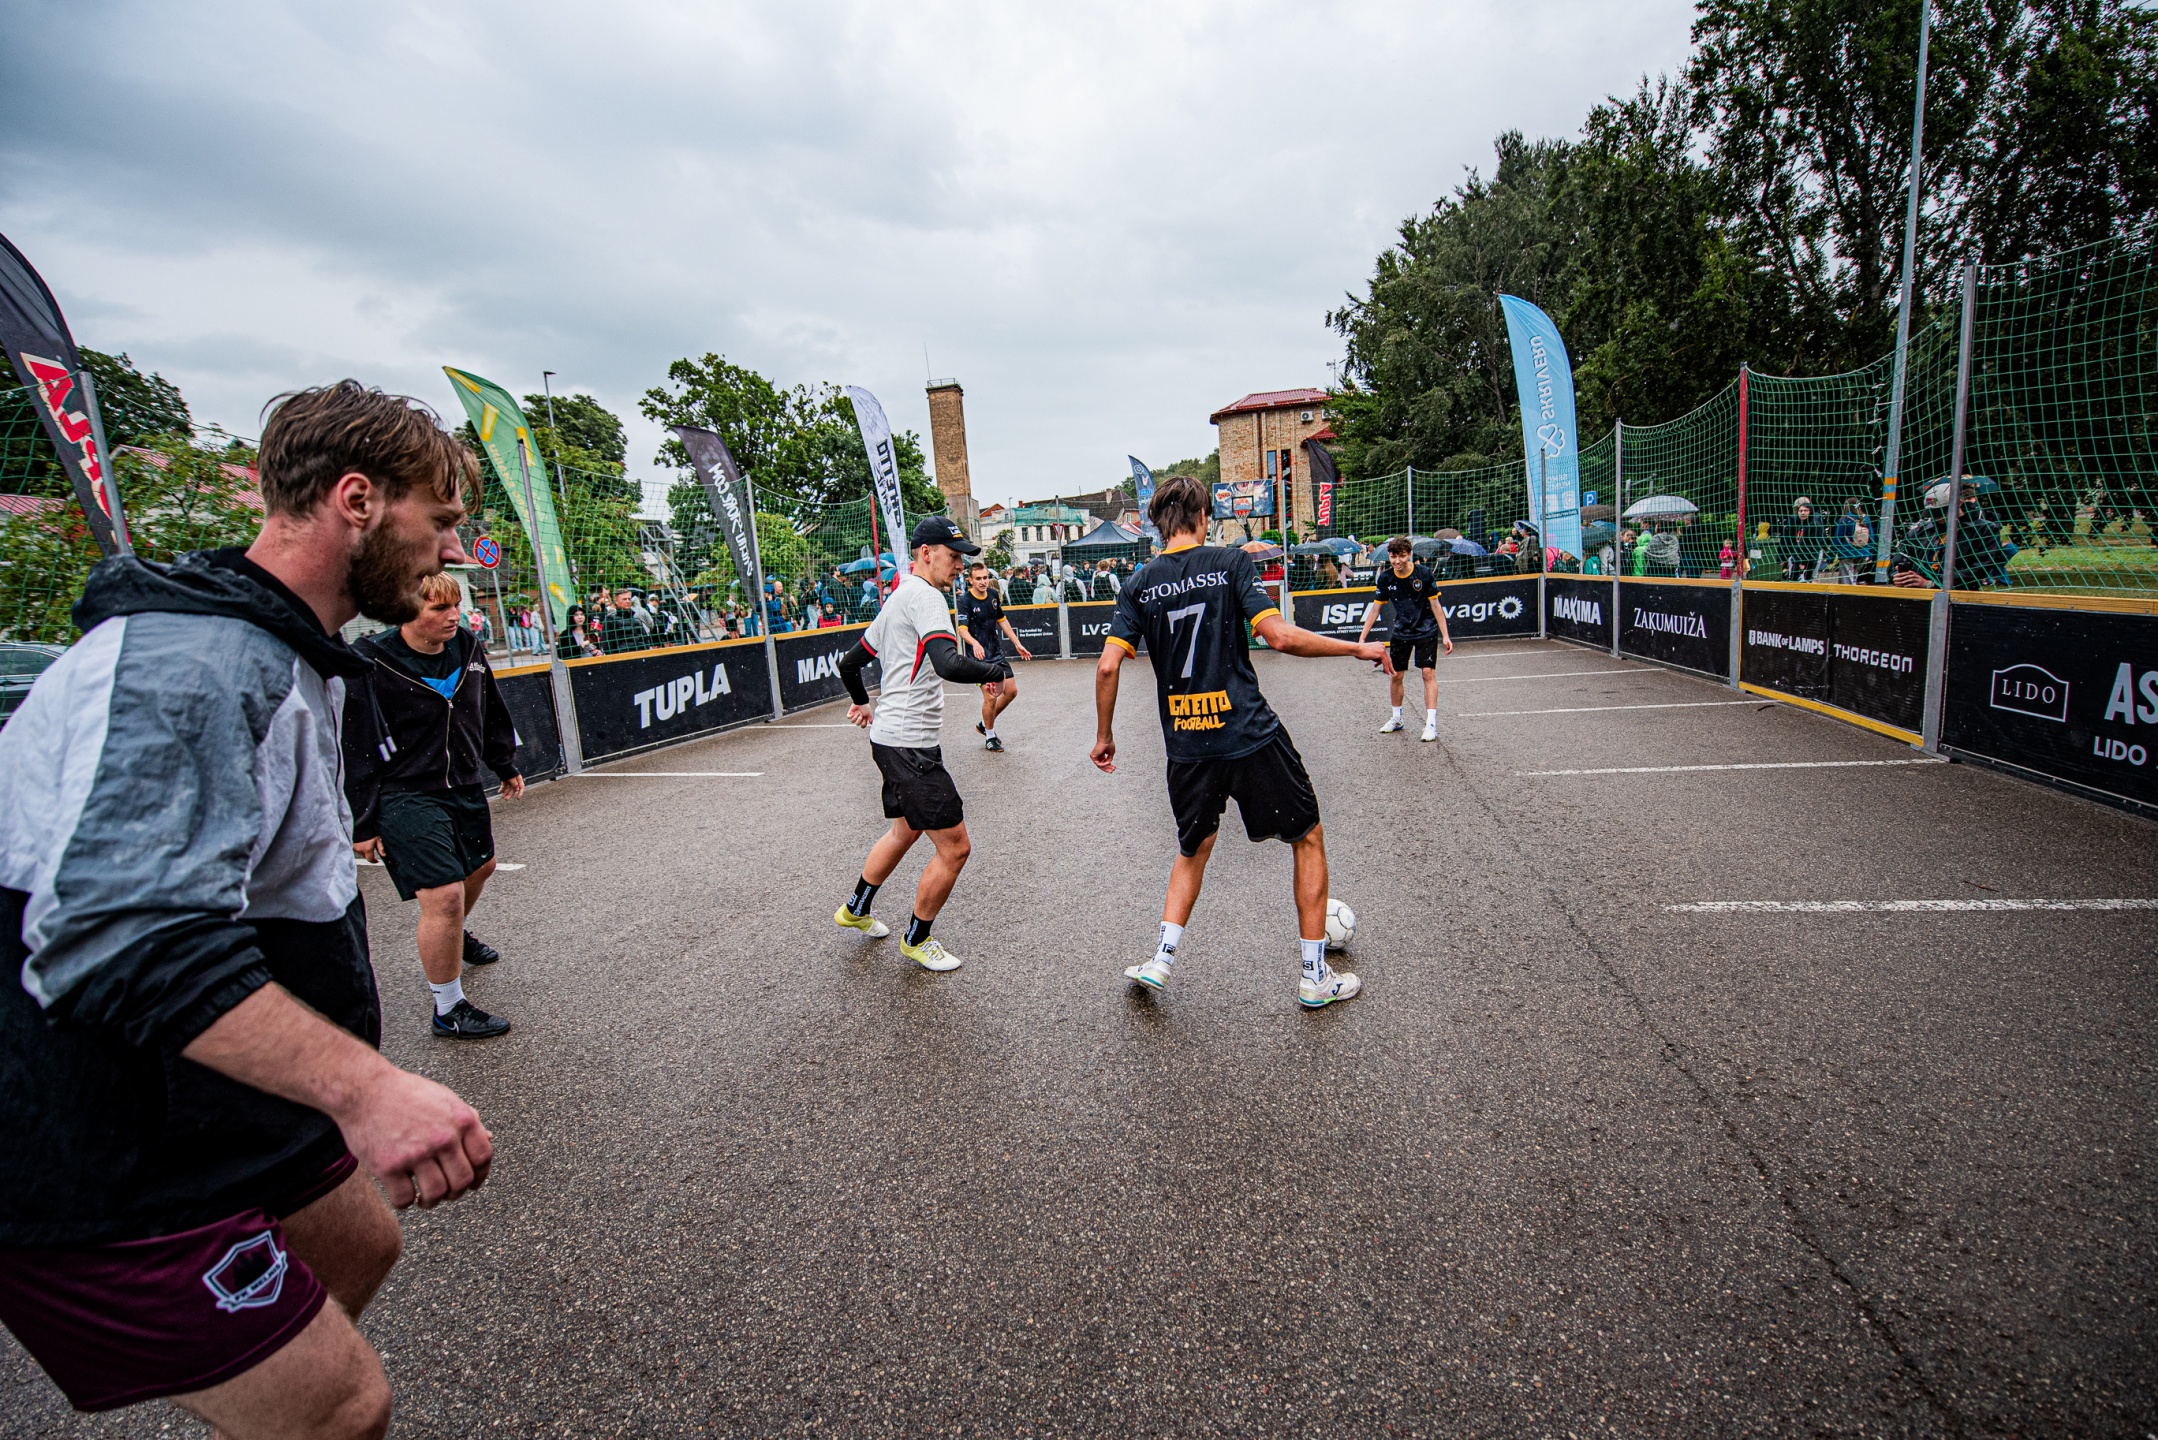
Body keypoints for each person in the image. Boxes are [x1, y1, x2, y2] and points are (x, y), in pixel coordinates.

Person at [0, 381, 492, 1435]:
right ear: (357, 500)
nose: (454, 551)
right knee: (343, 1404)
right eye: (442, 520)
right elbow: (117, 936)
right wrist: (365, 1089)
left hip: (204, 1100)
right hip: (82, 1140)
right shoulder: (199, 667)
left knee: (357, 1244)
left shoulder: (285, 647)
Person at [1091, 474, 1393, 1009]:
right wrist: (1354, 649)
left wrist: (1104, 735)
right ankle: (1314, 975)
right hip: (1247, 733)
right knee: (1307, 838)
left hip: (1187, 745)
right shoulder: (1230, 563)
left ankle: (1161, 960)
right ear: (1203, 517)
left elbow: (1108, 666)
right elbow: (1278, 636)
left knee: (1192, 849)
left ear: (1157, 525)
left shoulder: (1137, 584)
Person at [345, 571, 522, 1041]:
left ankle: (453, 933)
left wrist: (503, 763)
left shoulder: (467, 647)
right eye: (439, 608)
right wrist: (362, 820)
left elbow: (490, 709)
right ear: (406, 611)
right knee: (443, 896)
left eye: (456, 605)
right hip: (403, 792)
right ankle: (448, 1009)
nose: (454, 616)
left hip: (462, 784)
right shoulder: (371, 660)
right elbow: (354, 743)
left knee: (481, 867)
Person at [831, 517, 1011, 971]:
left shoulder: (898, 597)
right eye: (953, 556)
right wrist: (995, 670)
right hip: (909, 745)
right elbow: (948, 664)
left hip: (891, 739)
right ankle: (917, 938)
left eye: (963, 558)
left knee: (904, 830)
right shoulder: (927, 597)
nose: (960, 566)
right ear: (925, 553)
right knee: (956, 847)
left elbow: (849, 664)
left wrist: (863, 703)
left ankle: (855, 909)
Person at [1359, 535, 1454, 741]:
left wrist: (1446, 636)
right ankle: (1397, 718)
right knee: (1396, 675)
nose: (1397, 561)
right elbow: (1375, 609)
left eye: (1401, 556)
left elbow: (1436, 606)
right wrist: (1362, 638)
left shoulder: (1424, 574)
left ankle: (1430, 724)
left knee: (1427, 673)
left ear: (1409, 555)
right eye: (1393, 557)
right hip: (1401, 631)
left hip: (1426, 630)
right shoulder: (1385, 578)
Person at [958, 558, 1033, 752]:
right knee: (990, 697)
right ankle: (990, 737)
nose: (983, 582)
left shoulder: (992, 595)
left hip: (996, 653)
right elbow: (962, 630)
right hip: (978, 658)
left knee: (1011, 691)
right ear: (970, 580)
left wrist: (1017, 643)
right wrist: (975, 643)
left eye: (985, 577)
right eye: (978, 579)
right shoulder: (965, 601)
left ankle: (984, 724)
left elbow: (1002, 620)